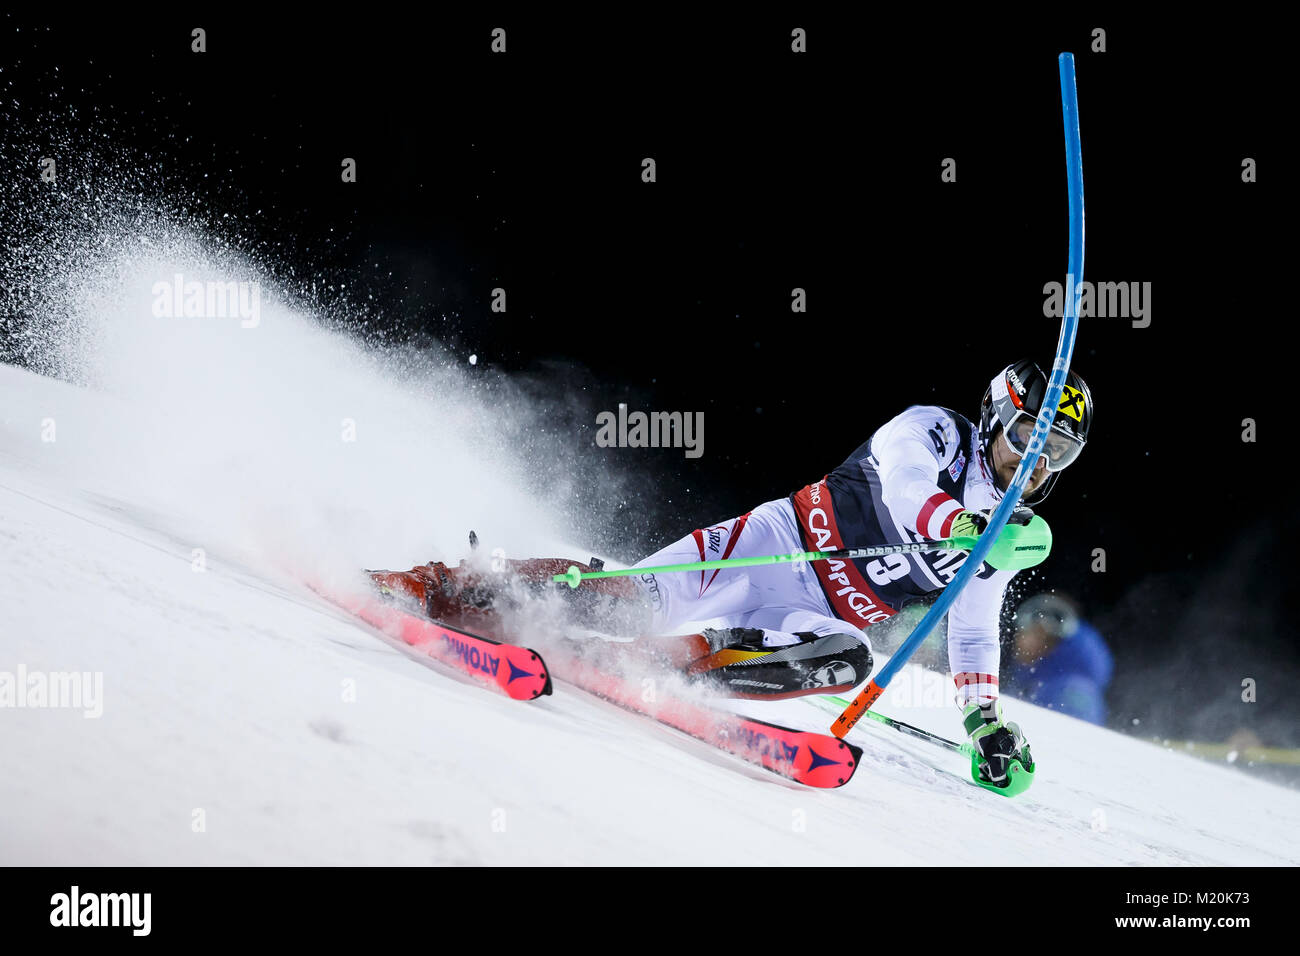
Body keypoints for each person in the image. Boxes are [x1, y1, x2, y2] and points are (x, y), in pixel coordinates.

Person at [372, 359, 1093, 788]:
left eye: (1056, 452)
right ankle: (441, 585)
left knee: (845, 656)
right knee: (624, 600)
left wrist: (983, 721)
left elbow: (971, 627)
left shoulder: (1009, 533)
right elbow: (906, 493)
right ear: (998, 418)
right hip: (774, 550)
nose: (1035, 462)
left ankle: (654, 665)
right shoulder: (933, 431)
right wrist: (965, 529)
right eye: (1031, 437)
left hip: (822, 613)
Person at [1008, 592, 1112, 724]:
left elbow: (1069, 739)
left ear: (1048, 639)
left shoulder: (1072, 691)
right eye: (1020, 632)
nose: (1020, 640)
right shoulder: (1035, 681)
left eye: (1029, 633)